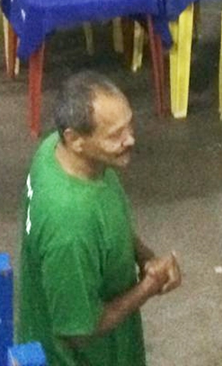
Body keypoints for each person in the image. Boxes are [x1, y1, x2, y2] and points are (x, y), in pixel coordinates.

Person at [17, 72, 181, 366]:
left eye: (129, 125)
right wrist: (149, 285)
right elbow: (79, 332)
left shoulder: (56, 150)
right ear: (76, 139)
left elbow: (108, 223)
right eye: (115, 135)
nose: (130, 139)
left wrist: (145, 257)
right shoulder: (69, 227)